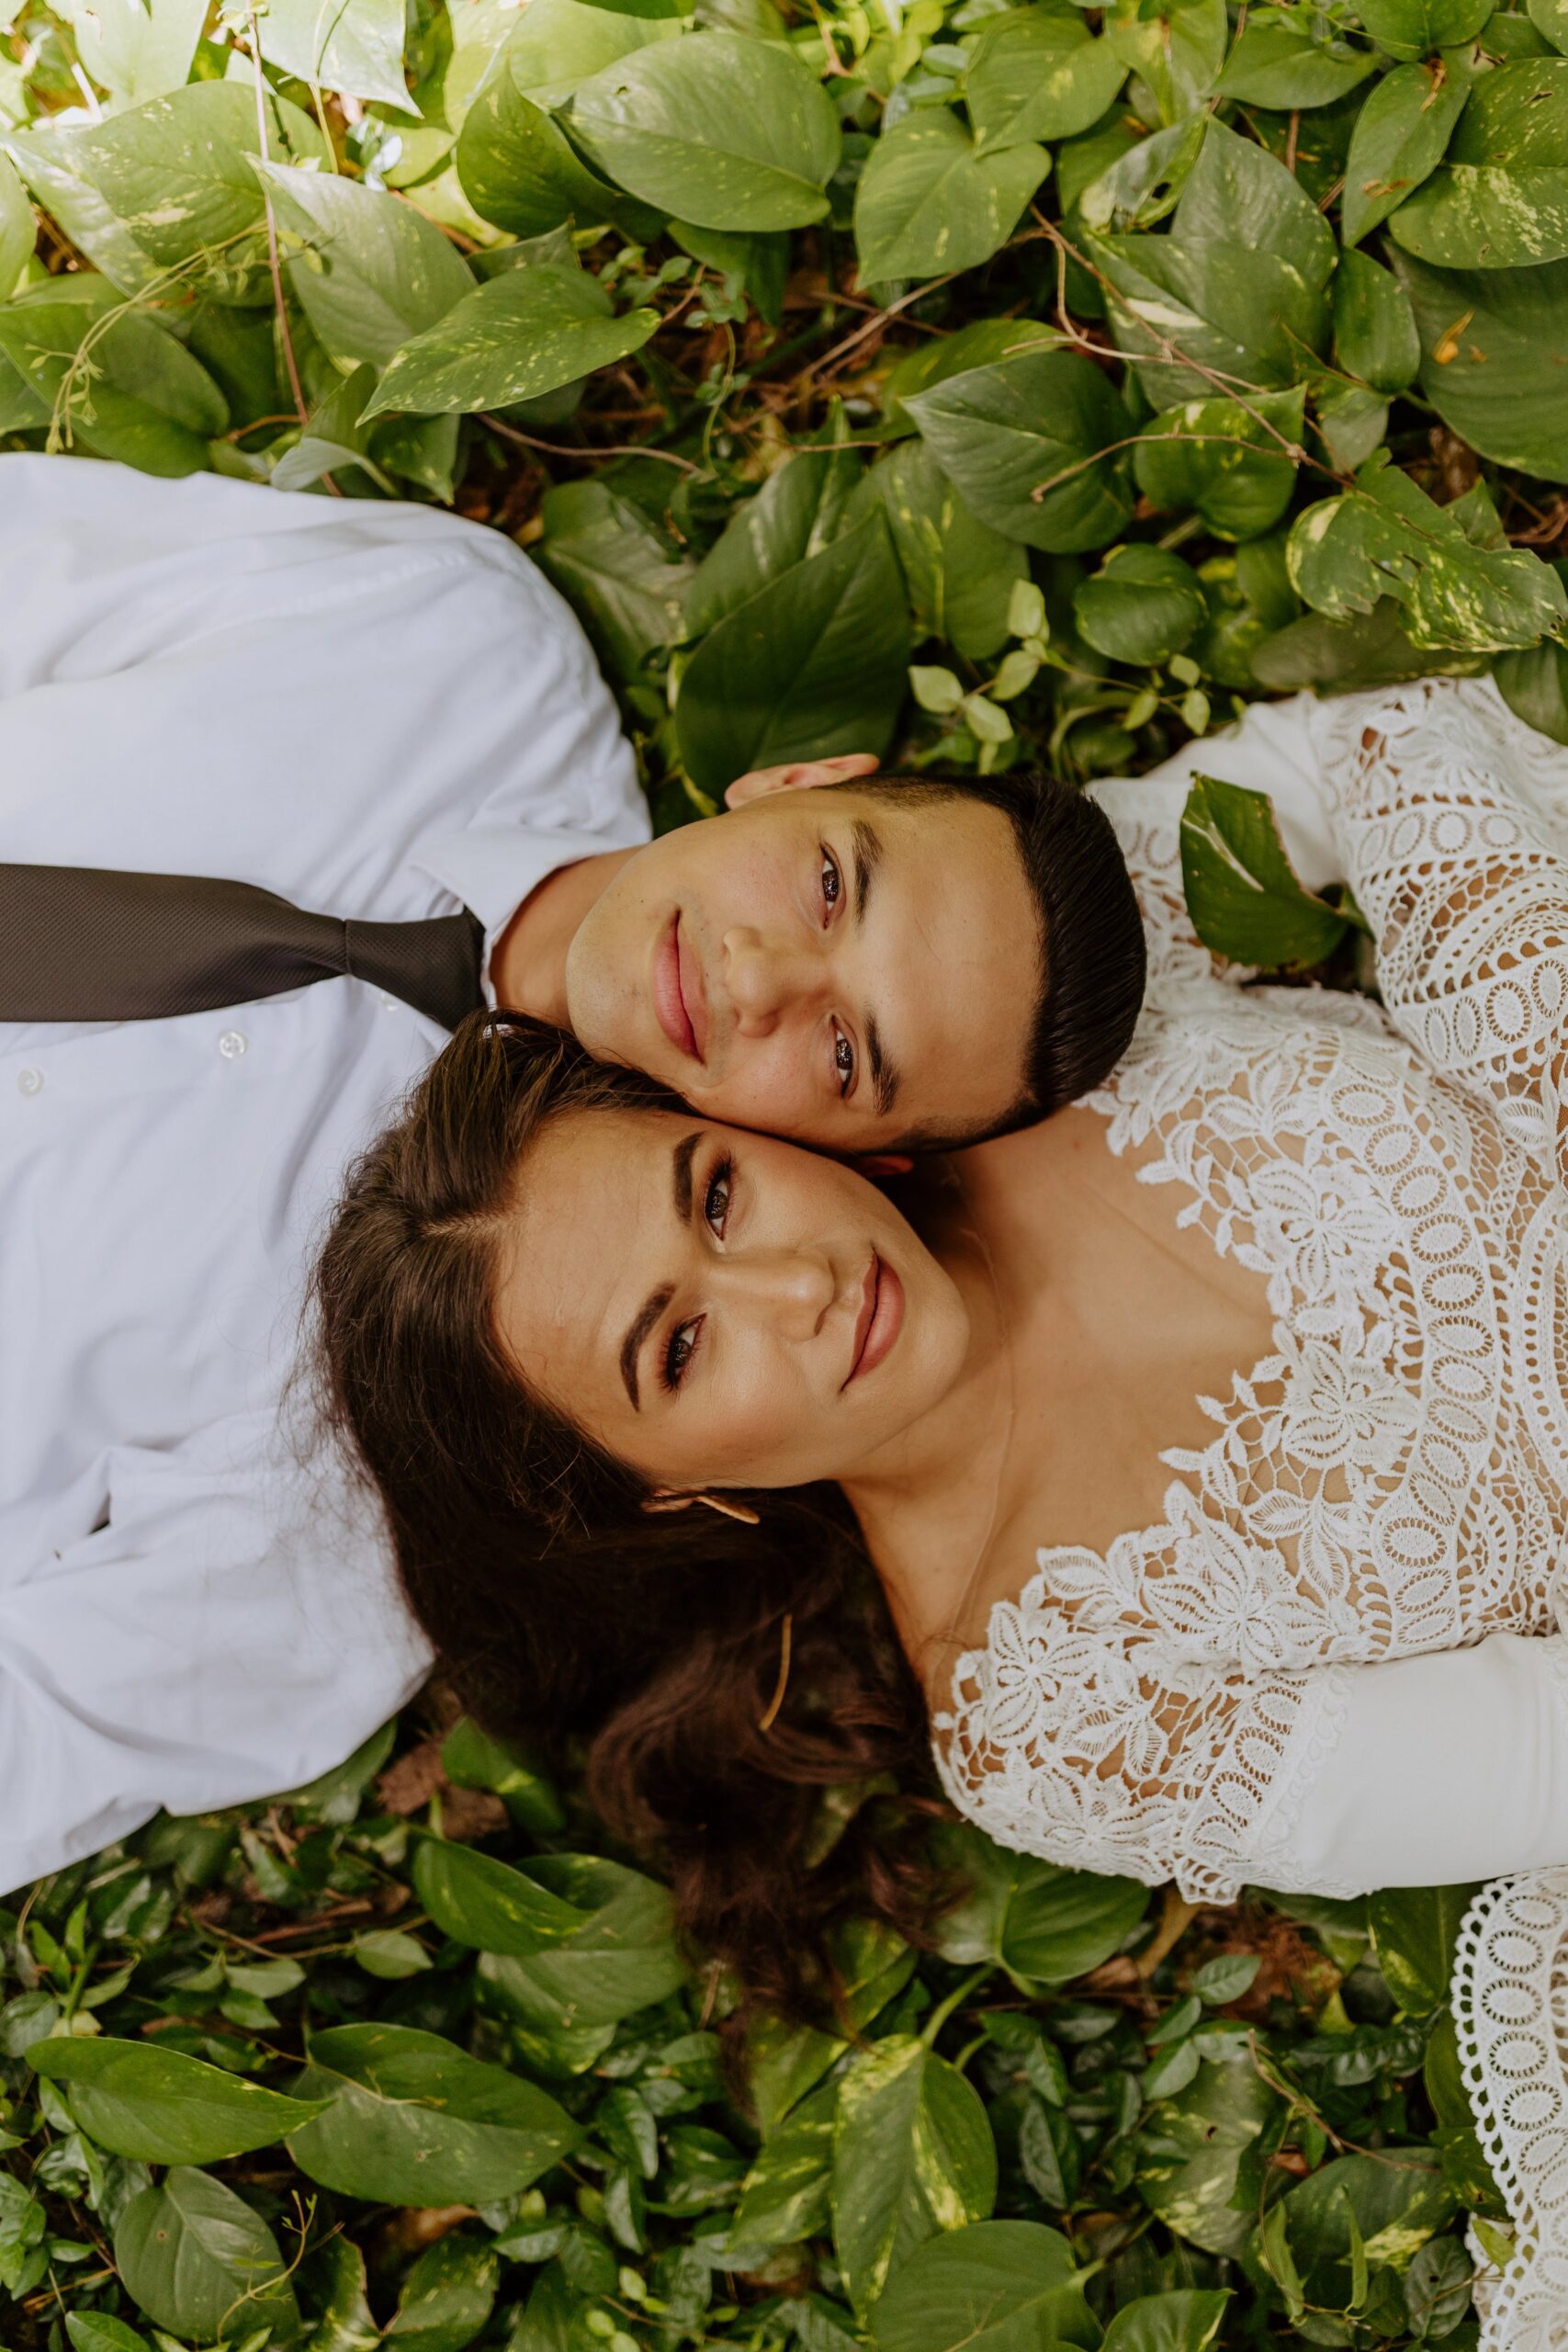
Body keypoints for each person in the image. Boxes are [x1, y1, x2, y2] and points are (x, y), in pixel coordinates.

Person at [316, 671, 1568, 2008]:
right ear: (658, 1486)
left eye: (719, 1194)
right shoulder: (1059, 1727)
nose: (797, 1289)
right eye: (677, 1350)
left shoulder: (999, 1025)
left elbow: (1357, 750)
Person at [0, 453, 1143, 1893]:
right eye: (833, 882)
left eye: (849, 1055)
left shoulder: (416, 1431)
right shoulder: (449, 638)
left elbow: (35, 1730)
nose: (760, 970)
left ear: (864, 1159)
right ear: (797, 782)